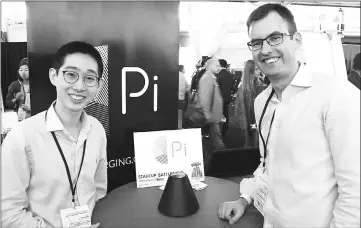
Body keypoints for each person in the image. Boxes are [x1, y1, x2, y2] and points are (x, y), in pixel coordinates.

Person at [218, 3, 360, 227]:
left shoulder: (336, 95)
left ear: (297, 40)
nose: (265, 50)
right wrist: (245, 198)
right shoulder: (261, 101)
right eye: (256, 43)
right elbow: (268, 165)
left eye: (275, 38)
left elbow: (356, 189)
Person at [2, 41, 108, 228]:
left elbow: (98, 190)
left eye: (89, 78)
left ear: (98, 85)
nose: (79, 86)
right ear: (54, 76)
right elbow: (8, 213)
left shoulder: (97, 130)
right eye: (71, 75)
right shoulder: (22, 137)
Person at [185, 58, 225, 150]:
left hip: (211, 114)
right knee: (216, 139)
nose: (219, 67)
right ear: (210, 66)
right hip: (209, 114)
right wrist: (208, 115)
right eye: (216, 65)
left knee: (215, 138)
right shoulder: (207, 78)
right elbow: (205, 98)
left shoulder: (211, 77)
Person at [235, 60, 268, 147]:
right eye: (257, 69)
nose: (259, 71)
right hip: (251, 121)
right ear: (250, 71)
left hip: (260, 120)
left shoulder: (260, 83)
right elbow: (242, 109)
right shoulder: (244, 88)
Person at [216, 59, 234, 136]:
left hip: (218, 98)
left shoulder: (217, 75)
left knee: (218, 115)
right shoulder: (230, 75)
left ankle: (218, 131)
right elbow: (232, 88)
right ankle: (225, 130)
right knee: (226, 114)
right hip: (227, 97)